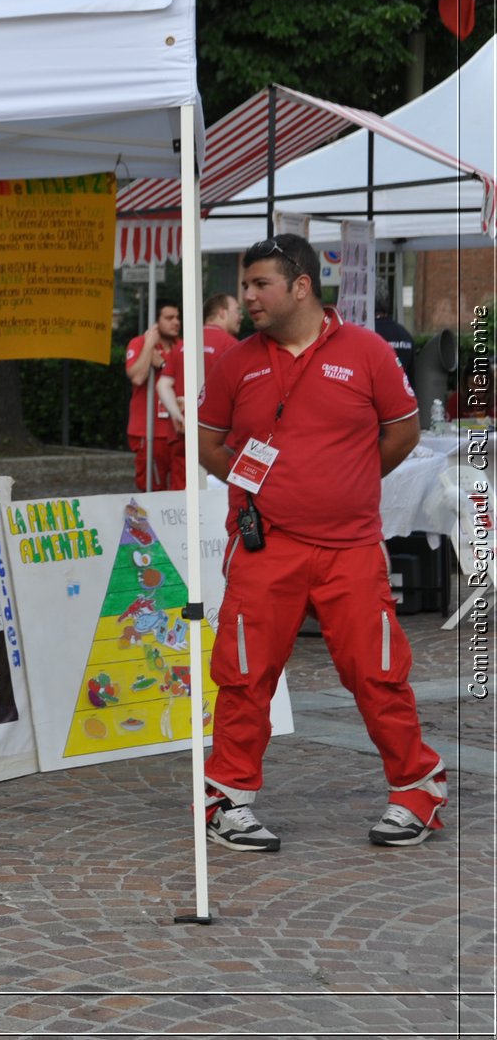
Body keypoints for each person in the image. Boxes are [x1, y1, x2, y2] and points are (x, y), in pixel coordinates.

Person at [198, 234, 444, 852]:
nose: (248, 297)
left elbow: (403, 432)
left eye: (260, 285)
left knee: (377, 672)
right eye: (246, 286)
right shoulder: (236, 360)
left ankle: (418, 789)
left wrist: (348, 482)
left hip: (352, 548)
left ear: (300, 286)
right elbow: (208, 443)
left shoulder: (366, 351)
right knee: (244, 674)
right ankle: (228, 799)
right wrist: (263, 488)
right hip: (264, 546)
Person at [156, 294, 242, 490]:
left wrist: (179, 416)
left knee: (181, 498)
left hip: (181, 434)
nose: (240, 316)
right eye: (237, 311)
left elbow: (163, 385)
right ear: (222, 313)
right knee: (214, 502)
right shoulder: (232, 347)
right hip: (217, 441)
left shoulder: (182, 344)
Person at [123, 302, 183, 491]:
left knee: (180, 486)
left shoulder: (182, 346)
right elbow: (138, 377)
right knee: (152, 488)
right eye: (169, 318)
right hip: (148, 431)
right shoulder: (139, 343)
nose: (176, 322)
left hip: (176, 429)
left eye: (177, 317)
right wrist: (149, 346)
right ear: (156, 322)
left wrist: (163, 365)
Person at [373, 297, 415, 375]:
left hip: (380, 384)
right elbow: (412, 370)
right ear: (385, 313)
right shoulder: (405, 333)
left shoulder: (371, 331)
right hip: (403, 384)